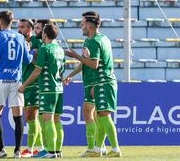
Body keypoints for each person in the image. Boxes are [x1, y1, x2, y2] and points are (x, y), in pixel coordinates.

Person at [65, 11, 122, 157]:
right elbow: (89, 63)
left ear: (89, 25)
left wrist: (75, 55)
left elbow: (94, 64)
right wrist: (71, 75)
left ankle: (115, 149)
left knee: (104, 116)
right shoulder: (103, 38)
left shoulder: (93, 41)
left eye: (83, 23)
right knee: (100, 116)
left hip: (103, 81)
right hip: (102, 82)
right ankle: (98, 149)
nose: (81, 26)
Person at [0, 10, 33, 158]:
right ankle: (17, 150)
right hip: (16, 80)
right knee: (18, 115)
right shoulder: (21, 38)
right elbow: (28, 60)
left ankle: (2, 149)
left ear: (1, 21)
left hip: (1, 78)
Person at [19, 24, 65, 158]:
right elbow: (60, 70)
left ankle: (50, 151)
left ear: (45, 34)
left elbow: (37, 71)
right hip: (58, 88)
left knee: (48, 120)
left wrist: (24, 85)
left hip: (47, 88)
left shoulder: (45, 48)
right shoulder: (60, 49)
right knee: (57, 120)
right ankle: (57, 150)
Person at [17, 19, 45, 158]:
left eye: (22, 27)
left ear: (30, 29)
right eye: (18, 27)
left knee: (30, 115)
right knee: (30, 119)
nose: (19, 29)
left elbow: (39, 63)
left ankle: (29, 148)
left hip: (34, 83)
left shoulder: (38, 43)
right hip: (23, 82)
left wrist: (29, 53)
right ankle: (38, 148)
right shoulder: (19, 41)